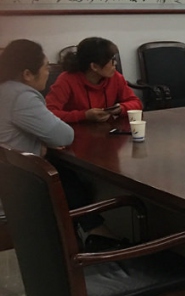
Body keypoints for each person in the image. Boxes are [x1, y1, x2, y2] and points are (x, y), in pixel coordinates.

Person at [0, 40, 118, 249]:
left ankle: (92, 233)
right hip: (19, 186)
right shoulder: (22, 96)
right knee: (70, 178)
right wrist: (44, 141)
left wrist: (41, 141)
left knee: (66, 175)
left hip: (10, 177)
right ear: (27, 74)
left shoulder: (5, 90)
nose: (48, 72)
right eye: (46, 67)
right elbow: (64, 136)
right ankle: (94, 235)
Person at [46, 37, 142, 123]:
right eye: (111, 61)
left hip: (108, 131)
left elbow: (136, 103)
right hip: (75, 132)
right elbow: (48, 114)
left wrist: (121, 108)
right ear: (94, 66)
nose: (115, 64)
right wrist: (84, 115)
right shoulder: (66, 80)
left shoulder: (115, 77)